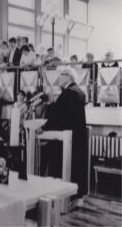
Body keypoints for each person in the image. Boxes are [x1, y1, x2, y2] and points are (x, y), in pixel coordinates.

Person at [36, 67, 88, 203]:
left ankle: (58, 193)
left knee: (57, 162)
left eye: (62, 75)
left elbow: (58, 116)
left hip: (66, 136)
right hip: (77, 135)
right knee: (76, 166)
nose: (59, 77)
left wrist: (44, 127)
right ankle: (75, 193)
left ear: (69, 77)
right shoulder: (79, 91)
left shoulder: (69, 93)